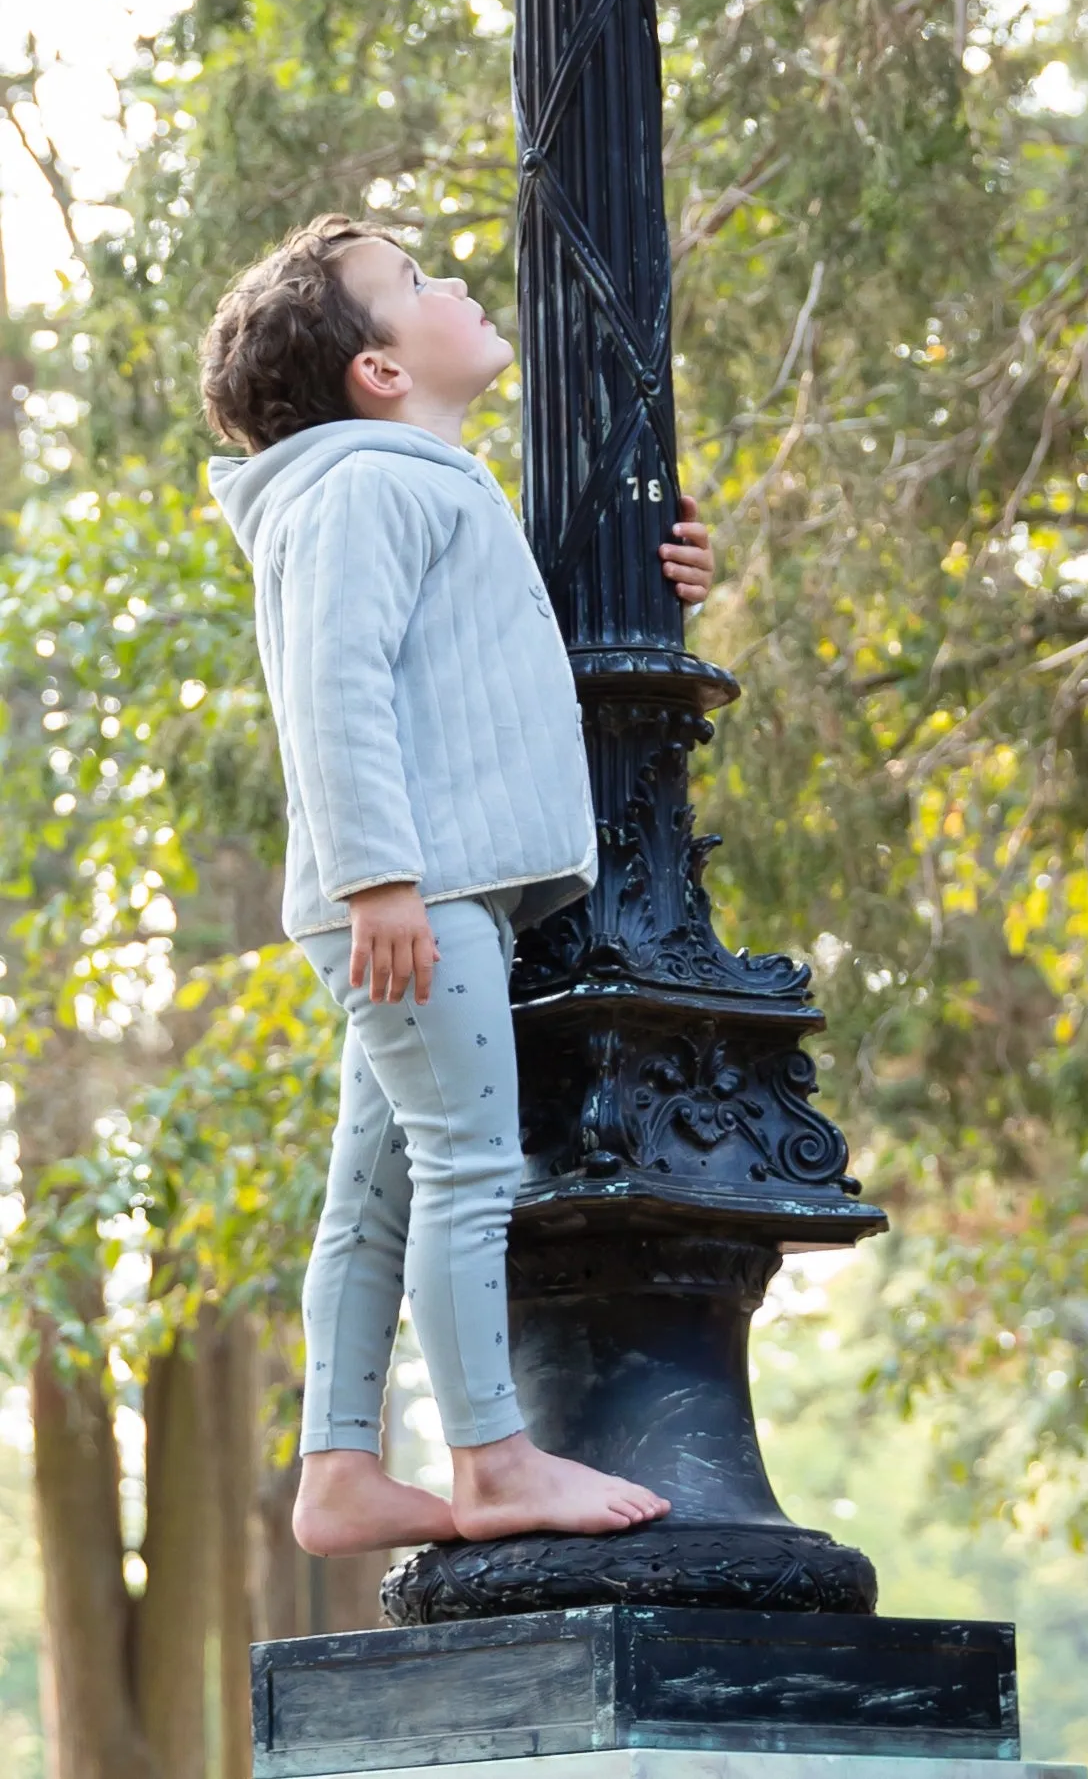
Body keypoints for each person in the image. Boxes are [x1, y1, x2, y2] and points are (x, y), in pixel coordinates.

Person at [202, 214, 714, 1556]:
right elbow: (334, 685)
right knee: (469, 1165)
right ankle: (489, 1459)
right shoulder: (362, 488)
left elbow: (482, 656)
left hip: (433, 888)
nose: (459, 284)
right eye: (416, 282)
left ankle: (338, 1471)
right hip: (411, 891)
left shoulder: (420, 481)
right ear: (378, 369)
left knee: (376, 1188)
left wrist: (657, 580)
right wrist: (378, 877)